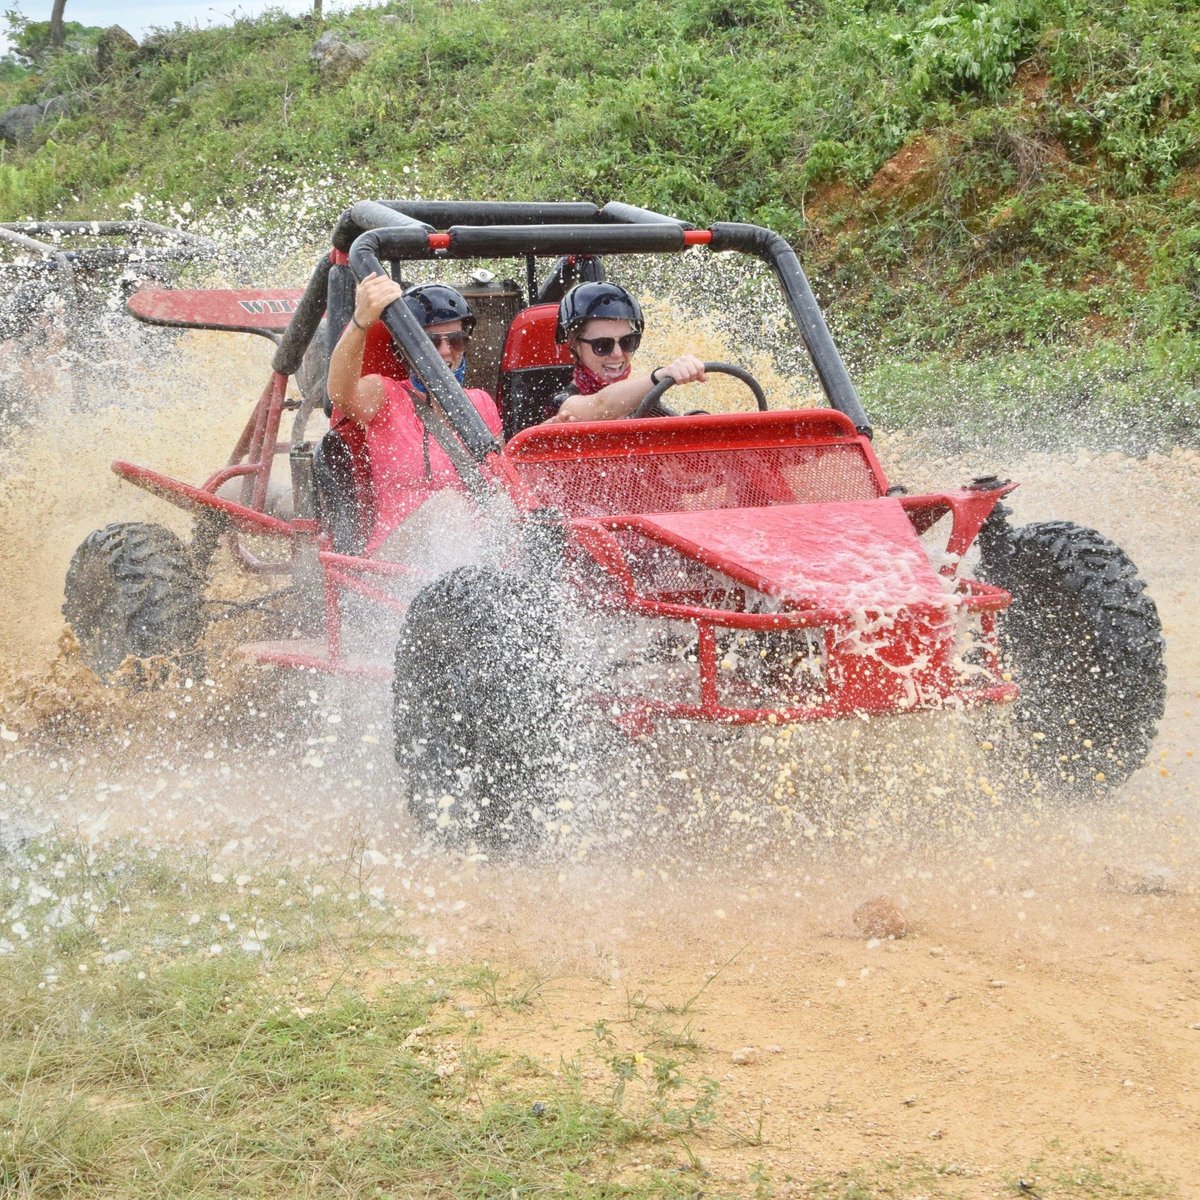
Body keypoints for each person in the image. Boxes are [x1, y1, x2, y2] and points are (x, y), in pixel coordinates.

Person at [325, 273, 503, 554]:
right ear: (405, 349)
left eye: (455, 341)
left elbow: (501, 485)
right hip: (395, 563)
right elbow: (340, 392)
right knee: (448, 507)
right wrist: (361, 323)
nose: (445, 353)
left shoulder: (481, 403)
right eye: (432, 343)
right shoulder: (386, 396)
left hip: (476, 559)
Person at [545, 282, 707, 423]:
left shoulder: (647, 398)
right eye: (602, 345)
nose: (617, 353)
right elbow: (601, 406)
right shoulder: (562, 402)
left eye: (628, 341)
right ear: (575, 345)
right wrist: (660, 375)